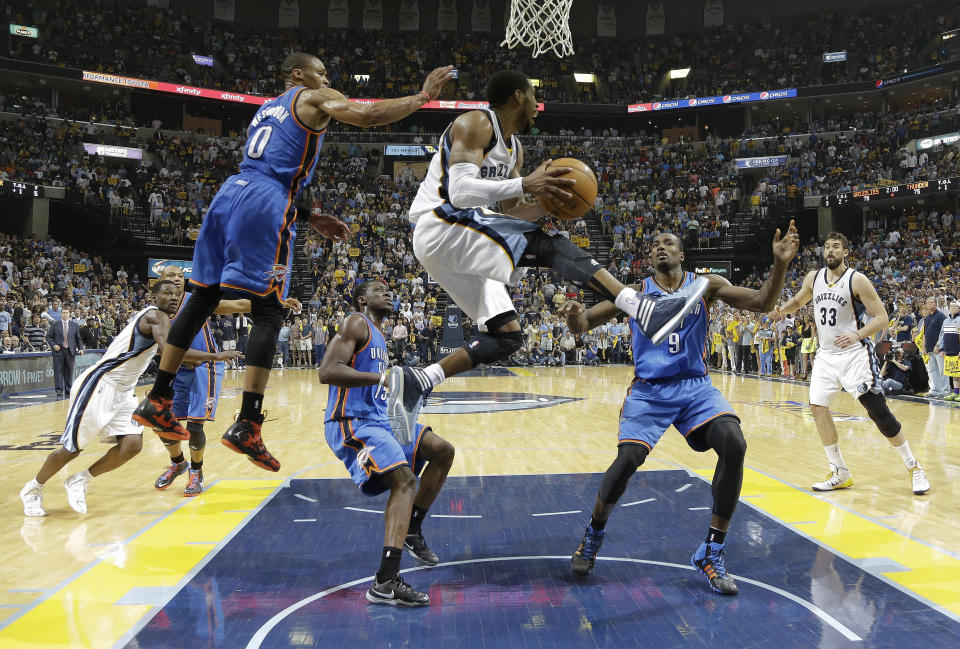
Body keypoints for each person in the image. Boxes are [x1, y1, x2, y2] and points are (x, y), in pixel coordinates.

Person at [133, 54, 455, 472]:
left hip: (229, 194)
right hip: (265, 198)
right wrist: (424, 95)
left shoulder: (268, 109)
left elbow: (270, 161)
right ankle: (248, 422)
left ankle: (158, 397)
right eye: (321, 73)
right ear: (298, 75)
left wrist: (308, 216)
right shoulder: (312, 97)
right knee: (269, 308)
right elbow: (369, 115)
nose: (327, 80)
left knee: (202, 295)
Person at [390, 69, 708, 443]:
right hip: (440, 222)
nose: (538, 105)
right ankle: (641, 307)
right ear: (517, 97)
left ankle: (419, 380)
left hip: (457, 240)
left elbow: (512, 214)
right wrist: (527, 183)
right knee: (550, 244)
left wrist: (548, 204)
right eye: (532, 95)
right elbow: (459, 191)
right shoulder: (476, 123)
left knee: (507, 336)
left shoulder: (515, 149)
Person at [563, 223, 799, 596]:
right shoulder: (635, 292)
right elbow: (583, 325)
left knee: (734, 443)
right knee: (627, 460)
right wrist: (574, 314)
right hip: (650, 390)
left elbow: (762, 303)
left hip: (694, 387)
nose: (660, 247)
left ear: (681, 253)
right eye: (655, 244)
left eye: (668, 242)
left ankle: (712, 550)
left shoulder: (707, 286)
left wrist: (780, 265)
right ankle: (593, 535)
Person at [18, 281, 228, 516]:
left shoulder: (159, 322)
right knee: (73, 449)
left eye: (177, 294)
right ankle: (32, 489)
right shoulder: (155, 316)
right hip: (101, 383)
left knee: (132, 445)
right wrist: (215, 355)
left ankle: (80, 480)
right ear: (154, 296)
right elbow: (172, 351)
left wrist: (194, 358)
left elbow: (165, 352)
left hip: (124, 390)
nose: (174, 297)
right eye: (167, 293)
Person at [319, 280, 455, 607]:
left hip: (381, 423)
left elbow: (383, 388)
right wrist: (383, 377)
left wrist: (404, 387)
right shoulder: (356, 322)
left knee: (441, 450)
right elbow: (327, 371)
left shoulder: (380, 336)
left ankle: (412, 529)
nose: (388, 292)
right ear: (362, 298)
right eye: (379, 289)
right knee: (405, 480)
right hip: (351, 422)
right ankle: (385, 580)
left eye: (388, 289)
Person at [775, 232, 930, 495]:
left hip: (854, 354)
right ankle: (839, 471)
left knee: (876, 410)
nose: (830, 251)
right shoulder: (813, 277)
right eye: (826, 247)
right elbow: (799, 301)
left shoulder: (857, 280)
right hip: (825, 356)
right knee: (817, 408)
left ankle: (913, 466)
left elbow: (881, 317)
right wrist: (780, 309)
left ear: (846, 252)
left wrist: (858, 334)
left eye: (836, 246)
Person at [152, 266, 246, 495]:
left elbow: (236, 305)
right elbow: (160, 351)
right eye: (171, 276)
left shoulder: (197, 301)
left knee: (194, 426)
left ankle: (196, 471)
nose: (176, 280)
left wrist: (275, 303)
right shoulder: (156, 313)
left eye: (180, 276)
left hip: (206, 367)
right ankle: (178, 463)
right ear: (159, 283)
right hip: (176, 370)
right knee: (161, 423)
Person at [46, 306, 83, 397]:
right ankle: (59, 389)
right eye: (63, 312)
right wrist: (54, 345)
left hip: (70, 351)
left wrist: (81, 348)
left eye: (67, 312)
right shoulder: (55, 324)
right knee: (58, 371)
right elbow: (48, 337)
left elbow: (78, 339)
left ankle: (68, 389)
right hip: (58, 351)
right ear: (61, 314)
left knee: (69, 371)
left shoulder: (74, 325)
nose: (65, 314)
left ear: (70, 314)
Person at [921, 296, 949, 398]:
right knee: (933, 371)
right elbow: (924, 334)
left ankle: (945, 391)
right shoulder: (927, 318)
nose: (929, 304)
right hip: (929, 348)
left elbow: (944, 332)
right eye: (928, 303)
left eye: (931, 302)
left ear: (936, 304)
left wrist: (938, 344)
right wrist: (924, 347)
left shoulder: (941, 316)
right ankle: (935, 390)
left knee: (942, 370)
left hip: (939, 348)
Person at [938, 300, 960, 401]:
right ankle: (956, 393)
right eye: (951, 307)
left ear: (959, 309)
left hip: (957, 350)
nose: (953, 308)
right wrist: (942, 348)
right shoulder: (945, 321)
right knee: (954, 373)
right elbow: (942, 336)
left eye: (955, 307)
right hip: (948, 351)